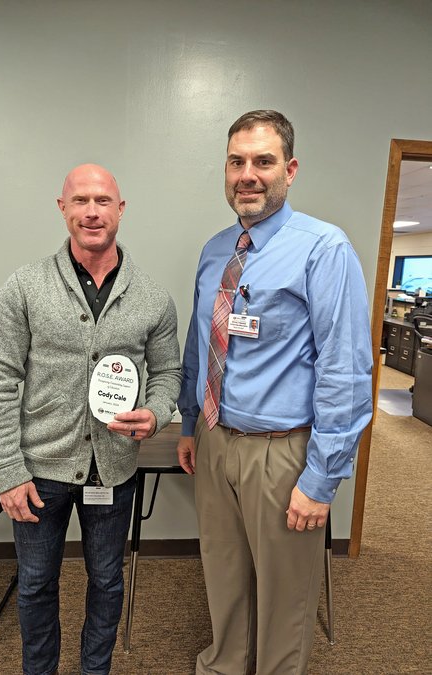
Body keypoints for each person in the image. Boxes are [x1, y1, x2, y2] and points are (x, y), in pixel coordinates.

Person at [177, 110, 372, 675]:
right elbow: (199, 344)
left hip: (282, 452)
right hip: (215, 440)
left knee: (286, 595)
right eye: (236, 162)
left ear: (289, 170)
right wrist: (190, 424)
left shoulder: (324, 248)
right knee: (223, 573)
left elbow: (345, 372)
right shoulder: (216, 250)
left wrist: (321, 478)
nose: (248, 174)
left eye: (263, 161)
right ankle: (224, 664)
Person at [0, 164, 181, 675]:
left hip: (113, 469)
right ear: (62, 208)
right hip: (38, 471)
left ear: (121, 209)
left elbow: (168, 373)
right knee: (36, 584)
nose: (92, 212)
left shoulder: (154, 298)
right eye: (81, 200)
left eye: (103, 201)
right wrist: (7, 471)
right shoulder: (24, 287)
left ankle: (96, 669)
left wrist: (156, 413)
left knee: (107, 581)